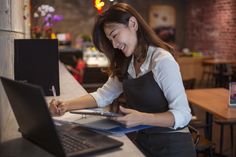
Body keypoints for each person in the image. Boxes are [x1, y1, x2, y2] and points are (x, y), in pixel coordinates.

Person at [50, 3, 196, 157]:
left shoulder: (161, 60)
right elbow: (103, 95)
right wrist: (65, 105)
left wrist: (143, 118)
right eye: (109, 39)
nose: (114, 44)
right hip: (143, 142)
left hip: (173, 146)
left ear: (132, 24)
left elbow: (183, 114)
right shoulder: (126, 62)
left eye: (114, 35)